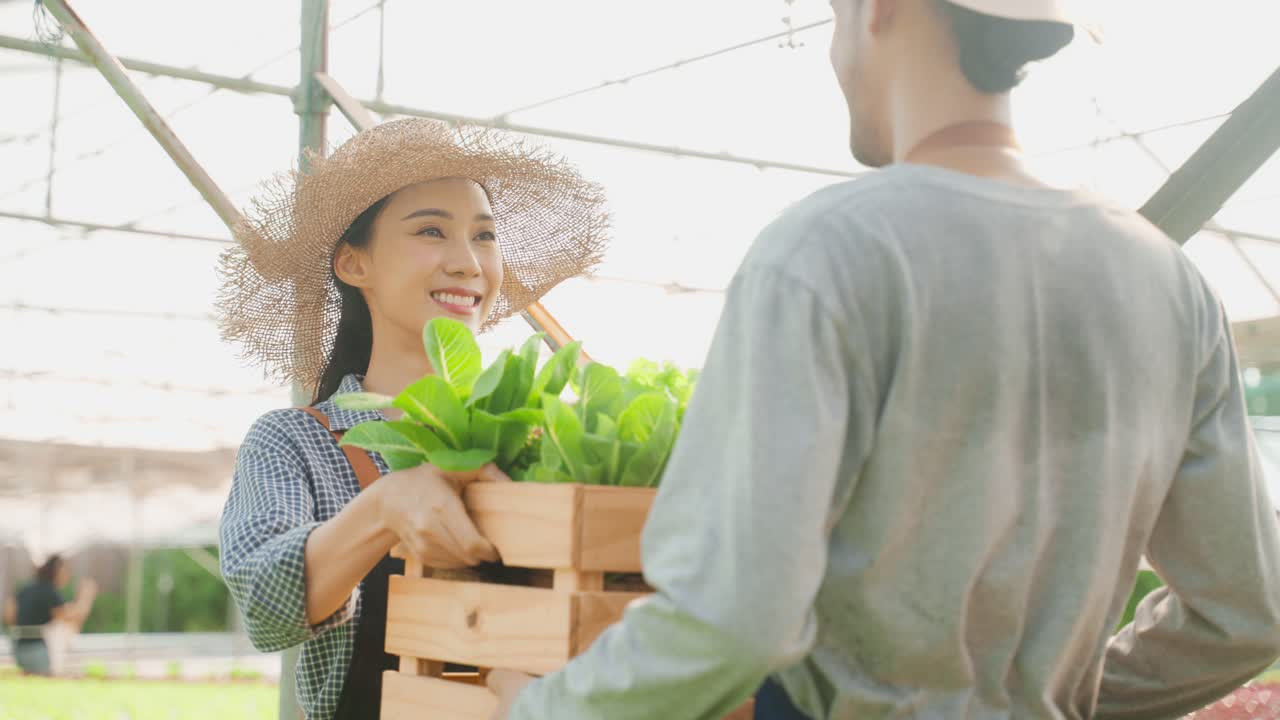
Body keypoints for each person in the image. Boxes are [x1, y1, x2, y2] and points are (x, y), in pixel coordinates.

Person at [486, 1, 1280, 718]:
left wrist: (538, 709)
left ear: (879, 10)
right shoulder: (1167, 281)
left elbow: (733, 619)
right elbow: (1248, 614)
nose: (834, 54)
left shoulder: (828, 249)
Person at [215, 118, 607, 720]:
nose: (467, 262)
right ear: (353, 263)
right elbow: (266, 603)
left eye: (484, 236)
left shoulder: (537, 431)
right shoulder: (296, 442)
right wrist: (386, 506)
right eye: (431, 231)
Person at [4, 555, 96, 676]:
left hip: (18, 649)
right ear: (57, 571)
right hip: (38, 651)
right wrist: (86, 596)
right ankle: (57, 668)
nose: (68, 576)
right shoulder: (49, 592)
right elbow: (74, 616)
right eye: (66, 571)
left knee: (59, 626)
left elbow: (8, 616)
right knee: (67, 627)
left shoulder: (24, 590)